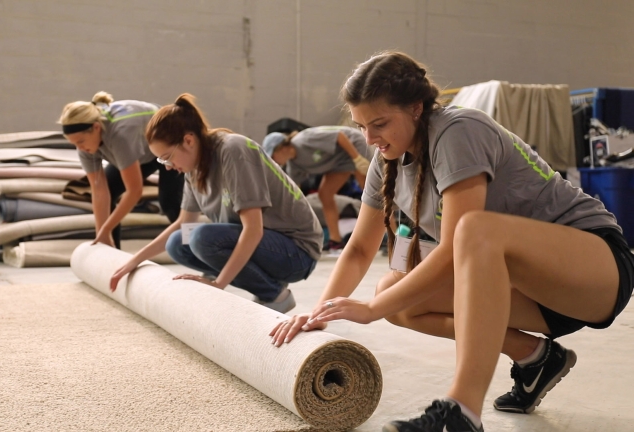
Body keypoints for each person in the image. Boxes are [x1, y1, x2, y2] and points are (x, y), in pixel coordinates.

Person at [270, 51, 633, 432]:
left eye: (378, 124)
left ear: (415, 108)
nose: (369, 138)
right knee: (395, 291)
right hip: (534, 293)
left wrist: (371, 310)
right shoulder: (386, 159)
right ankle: (537, 358)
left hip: (596, 271)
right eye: (360, 126)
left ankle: (462, 412)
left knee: (473, 230)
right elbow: (360, 248)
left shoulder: (457, 130)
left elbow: (455, 249)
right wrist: (320, 313)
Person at [108, 93, 323, 314]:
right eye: (162, 161)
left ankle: (275, 295)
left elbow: (253, 229)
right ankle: (266, 284)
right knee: (177, 242)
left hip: (296, 251)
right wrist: (134, 261)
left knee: (202, 239)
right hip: (268, 244)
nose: (167, 167)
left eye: (167, 157)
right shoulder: (193, 169)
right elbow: (183, 223)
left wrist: (217, 285)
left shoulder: (233, 150)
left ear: (188, 141)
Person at [58, 92, 183, 248]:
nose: (80, 148)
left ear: (96, 128)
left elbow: (135, 191)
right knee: (109, 189)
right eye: (74, 144)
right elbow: (99, 191)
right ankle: (112, 252)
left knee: (170, 202)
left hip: (171, 145)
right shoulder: (84, 146)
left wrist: (107, 228)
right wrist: (101, 235)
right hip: (141, 149)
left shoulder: (120, 135)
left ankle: (197, 253)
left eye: (81, 141)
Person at [262, 126, 372, 251]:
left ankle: (391, 235)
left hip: (353, 145)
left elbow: (340, 136)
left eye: (273, 156)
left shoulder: (304, 140)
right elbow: (293, 193)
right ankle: (335, 241)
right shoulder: (294, 166)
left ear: (281, 148)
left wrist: (357, 159)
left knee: (369, 191)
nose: (274, 161)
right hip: (338, 162)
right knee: (325, 195)